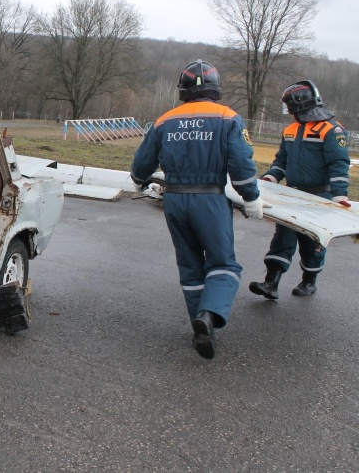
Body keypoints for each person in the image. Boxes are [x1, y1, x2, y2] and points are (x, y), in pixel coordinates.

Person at [130, 59, 268, 360]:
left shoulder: (165, 120)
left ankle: (200, 329)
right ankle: (209, 315)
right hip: (210, 199)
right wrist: (251, 196)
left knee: (191, 266)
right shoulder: (227, 117)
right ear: (215, 88)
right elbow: (242, 165)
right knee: (224, 265)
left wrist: (139, 182)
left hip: (175, 200)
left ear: (182, 90)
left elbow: (142, 165)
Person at [249, 80, 351, 300]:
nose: (288, 111)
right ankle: (271, 283)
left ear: (299, 103)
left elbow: (339, 164)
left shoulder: (332, 130)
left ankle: (309, 281)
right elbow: (281, 160)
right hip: (292, 194)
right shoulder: (290, 129)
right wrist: (270, 178)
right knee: (282, 237)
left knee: (311, 241)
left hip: (319, 196)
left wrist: (340, 194)